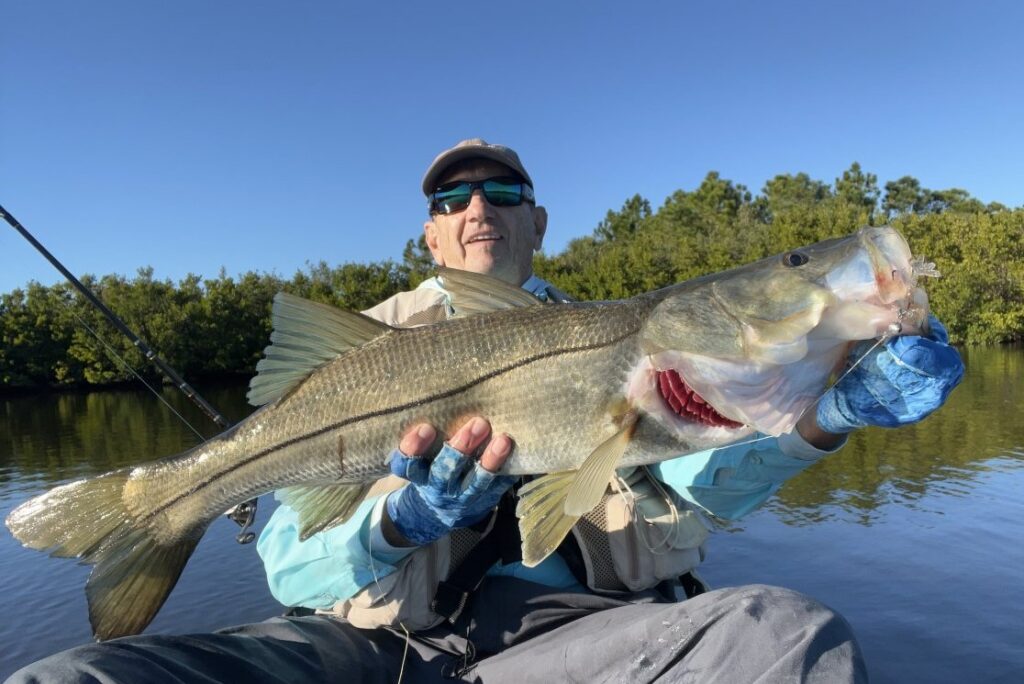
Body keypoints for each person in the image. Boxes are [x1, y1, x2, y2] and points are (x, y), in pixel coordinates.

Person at [9, 139, 964, 684]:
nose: (479, 206)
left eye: (502, 191)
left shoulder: (645, 345)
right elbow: (292, 570)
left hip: (584, 639)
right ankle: (153, 510)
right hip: (374, 648)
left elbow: (695, 501)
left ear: (536, 223)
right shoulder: (362, 346)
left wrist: (825, 417)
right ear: (430, 231)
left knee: (787, 636)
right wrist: (394, 520)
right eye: (453, 196)